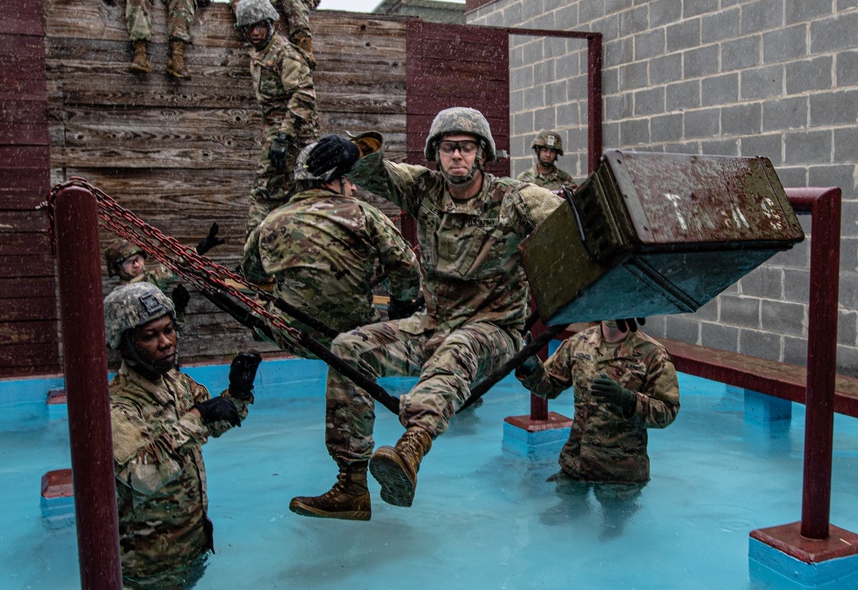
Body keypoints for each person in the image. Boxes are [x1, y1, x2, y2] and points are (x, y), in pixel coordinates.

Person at [289, 106, 561, 521]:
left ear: (482, 155)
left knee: (459, 346)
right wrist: (348, 152)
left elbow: (572, 225)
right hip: (432, 323)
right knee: (347, 348)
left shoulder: (517, 199)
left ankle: (411, 449)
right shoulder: (424, 190)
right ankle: (351, 485)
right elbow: (371, 171)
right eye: (448, 148)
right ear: (435, 154)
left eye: (467, 148)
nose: (457, 156)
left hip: (495, 330)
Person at [105, 282, 261, 589]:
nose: (166, 342)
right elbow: (143, 476)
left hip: (191, 545)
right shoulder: (115, 407)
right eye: (150, 336)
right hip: (148, 566)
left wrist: (238, 395)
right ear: (125, 345)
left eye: (169, 330)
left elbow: (212, 422)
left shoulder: (175, 382)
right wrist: (197, 417)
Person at [240, 142, 422, 353]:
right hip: (356, 339)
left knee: (260, 301)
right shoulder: (366, 215)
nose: (354, 187)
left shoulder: (271, 221)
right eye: (349, 180)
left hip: (293, 336)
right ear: (332, 180)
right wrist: (399, 303)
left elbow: (252, 274)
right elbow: (406, 267)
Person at [515, 319, 680, 486]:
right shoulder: (578, 343)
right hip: (575, 465)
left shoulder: (652, 354)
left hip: (621, 474)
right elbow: (550, 386)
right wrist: (531, 367)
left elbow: (667, 410)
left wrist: (629, 400)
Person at [235, 0, 319, 238]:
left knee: (272, 194)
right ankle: (262, 257)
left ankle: (258, 259)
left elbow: (304, 95)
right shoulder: (259, 52)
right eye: (249, 28)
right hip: (275, 132)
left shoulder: (285, 54)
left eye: (259, 26)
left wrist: (284, 135)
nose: (255, 33)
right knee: (276, 195)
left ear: (271, 24)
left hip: (295, 135)